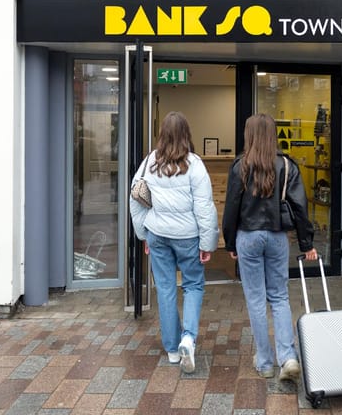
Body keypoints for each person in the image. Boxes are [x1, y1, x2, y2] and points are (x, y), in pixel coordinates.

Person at [223, 113, 318, 382]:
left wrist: (229, 242)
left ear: (249, 134)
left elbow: (231, 207)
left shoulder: (240, 166)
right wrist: (306, 243)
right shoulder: (287, 165)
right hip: (277, 236)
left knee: (256, 300)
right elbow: (300, 206)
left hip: (248, 236)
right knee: (279, 297)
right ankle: (288, 357)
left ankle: (265, 363)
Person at [129, 111, 218, 373]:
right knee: (193, 285)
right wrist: (207, 243)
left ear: (163, 134)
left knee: (166, 288)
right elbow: (204, 207)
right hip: (188, 236)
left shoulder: (149, 162)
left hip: (157, 233)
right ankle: (188, 338)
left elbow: (136, 200)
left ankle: (171, 350)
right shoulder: (195, 164)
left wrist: (143, 234)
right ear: (186, 134)